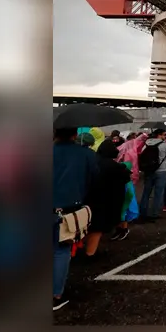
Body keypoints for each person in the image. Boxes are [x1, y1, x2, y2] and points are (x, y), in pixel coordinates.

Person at [53, 127, 99, 310]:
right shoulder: (85, 154)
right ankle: (55, 294)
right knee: (61, 250)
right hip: (69, 208)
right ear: (74, 135)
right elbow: (94, 179)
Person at [82, 141, 131, 259]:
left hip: (87, 198)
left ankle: (83, 249)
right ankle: (90, 253)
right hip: (105, 201)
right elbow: (126, 178)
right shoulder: (114, 166)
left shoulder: (92, 160)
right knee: (97, 228)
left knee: (87, 225)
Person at [138, 128, 166, 222]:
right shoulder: (165, 145)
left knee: (146, 192)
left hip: (149, 171)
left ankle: (143, 212)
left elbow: (142, 155)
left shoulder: (146, 144)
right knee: (158, 193)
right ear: (159, 135)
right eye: (164, 135)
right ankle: (154, 213)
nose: (165, 136)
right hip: (161, 171)